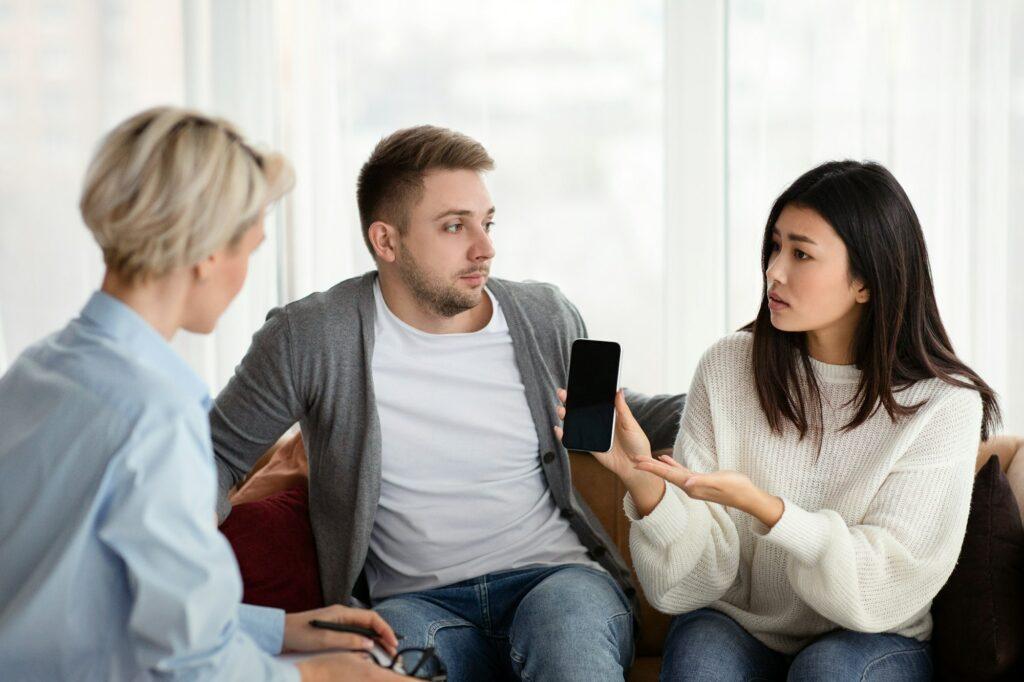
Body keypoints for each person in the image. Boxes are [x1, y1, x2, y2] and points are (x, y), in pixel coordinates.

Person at [210, 125, 685, 681]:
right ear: (386, 241)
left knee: (570, 653)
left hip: (555, 580)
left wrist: (732, 402)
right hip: (416, 604)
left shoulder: (542, 316)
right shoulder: (311, 337)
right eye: (454, 226)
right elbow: (214, 455)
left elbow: (623, 410)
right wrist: (181, 561)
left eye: (486, 223)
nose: (484, 248)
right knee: (387, 668)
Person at [0, 107, 403, 681]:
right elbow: (192, 667)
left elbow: (87, 599)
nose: (243, 276)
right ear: (210, 253)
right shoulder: (156, 415)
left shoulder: (38, 369)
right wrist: (324, 676)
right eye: (250, 249)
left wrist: (277, 628)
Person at [555, 160, 1000, 681]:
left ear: (866, 281)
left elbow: (885, 584)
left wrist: (766, 509)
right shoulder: (729, 367)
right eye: (774, 246)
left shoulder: (943, 404)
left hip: (870, 637)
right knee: (702, 663)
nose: (774, 271)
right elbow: (692, 583)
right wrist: (639, 479)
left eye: (801, 253)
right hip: (739, 623)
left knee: (829, 672)